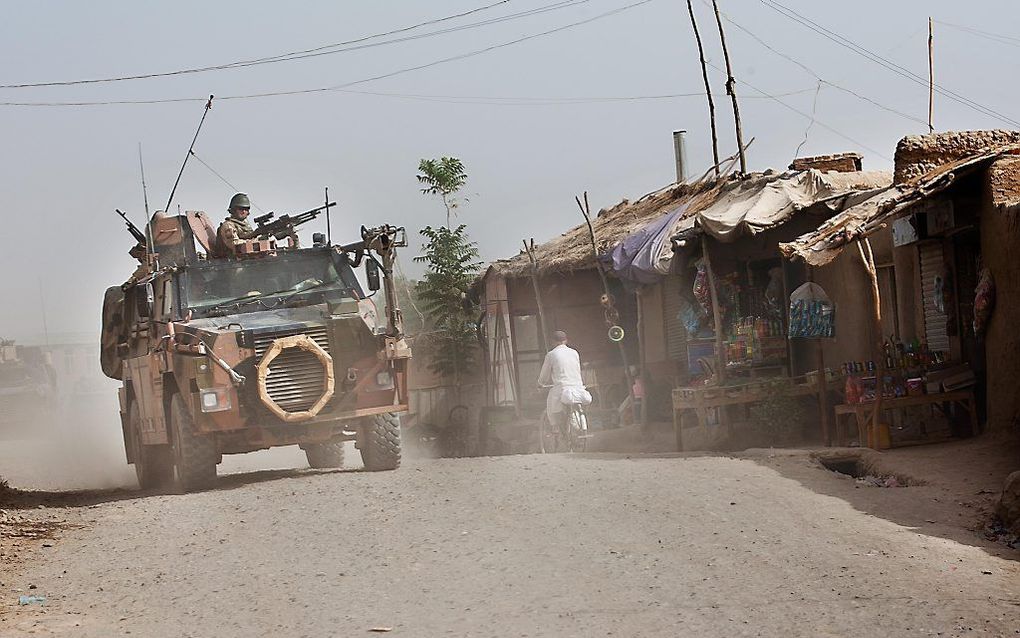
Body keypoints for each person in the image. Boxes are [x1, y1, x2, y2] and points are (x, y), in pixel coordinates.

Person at [537, 330, 591, 428]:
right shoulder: (574, 353)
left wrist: (540, 383)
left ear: (553, 342)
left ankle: (555, 427)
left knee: (550, 404)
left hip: (562, 388)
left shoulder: (551, 354)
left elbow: (544, 374)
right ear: (566, 341)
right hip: (578, 387)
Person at [212, 193, 255, 258]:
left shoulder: (245, 225)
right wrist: (254, 242)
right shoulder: (228, 225)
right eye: (240, 209)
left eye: (246, 209)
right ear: (233, 210)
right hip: (230, 262)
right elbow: (234, 244)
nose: (243, 211)